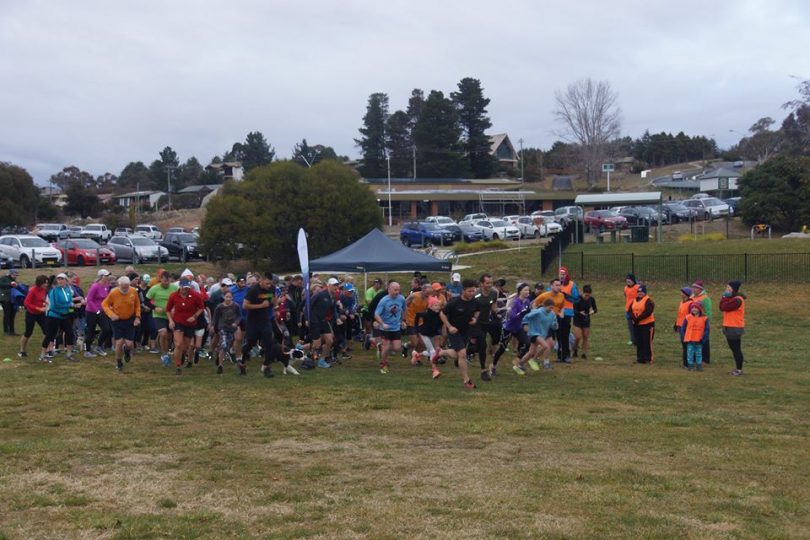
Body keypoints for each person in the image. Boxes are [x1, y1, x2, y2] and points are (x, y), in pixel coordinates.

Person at [241, 272, 297, 377]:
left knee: (269, 343)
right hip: (253, 321)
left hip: (265, 320)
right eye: (266, 283)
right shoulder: (253, 290)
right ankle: (242, 362)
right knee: (250, 343)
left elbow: (273, 300)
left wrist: (275, 305)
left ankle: (267, 366)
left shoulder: (272, 288)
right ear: (261, 280)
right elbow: (245, 306)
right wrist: (261, 305)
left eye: (270, 283)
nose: (268, 286)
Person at [436, 279, 480, 389]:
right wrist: (449, 327)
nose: (472, 293)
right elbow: (442, 314)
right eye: (469, 291)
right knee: (463, 354)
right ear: (463, 291)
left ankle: (441, 352)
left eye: (473, 291)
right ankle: (467, 380)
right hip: (454, 331)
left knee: (457, 355)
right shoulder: (454, 302)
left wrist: (475, 319)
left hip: (466, 331)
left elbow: (478, 311)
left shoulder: (475, 301)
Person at [101, 276, 141, 371]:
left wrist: (137, 317)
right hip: (117, 320)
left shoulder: (133, 291)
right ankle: (118, 361)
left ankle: (127, 351)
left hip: (130, 320)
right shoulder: (114, 293)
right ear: (119, 285)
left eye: (127, 287)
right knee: (119, 343)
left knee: (129, 344)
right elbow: (104, 304)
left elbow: (137, 305)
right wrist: (111, 315)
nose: (125, 289)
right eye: (123, 287)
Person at [491, 282, 532, 376]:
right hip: (508, 328)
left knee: (528, 343)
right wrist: (522, 313)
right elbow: (512, 317)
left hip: (518, 328)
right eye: (525, 290)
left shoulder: (527, 302)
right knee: (502, 348)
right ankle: (493, 366)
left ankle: (517, 361)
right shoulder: (515, 302)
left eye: (528, 290)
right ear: (520, 291)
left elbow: (527, 314)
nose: (527, 292)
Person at [166, 278, 205, 375]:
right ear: (180, 286)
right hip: (178, 322)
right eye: (183, 287)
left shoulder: (195, 295)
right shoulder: (174, 296)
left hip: (190, 324)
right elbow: (167, 309)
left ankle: (183, 355)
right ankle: (178, 366)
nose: (185, 289)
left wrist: (194, 316)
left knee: (186, 346)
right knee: (178, 344)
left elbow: (201, 308)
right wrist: (170, 321)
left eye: (187, 287)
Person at [515, 298, 558, 375]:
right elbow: (526, 317)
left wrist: (555, 325)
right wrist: (525, 324)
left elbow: (553, 326)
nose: (551, 309)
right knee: (546, 346)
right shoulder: (538, 312)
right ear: (544, 306)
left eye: (552, 308)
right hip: (534, 333)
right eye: (549, 307)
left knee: (531, 352)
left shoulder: (552, 314)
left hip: (542, 334)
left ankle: (519, 365)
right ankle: (533, 360)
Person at [41, 273, 76, 362]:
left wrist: (71, 304)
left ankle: (69, 354)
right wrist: (71, 305)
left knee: (70, 333)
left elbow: (69, 300)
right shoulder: (54, 291)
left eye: (62, 279)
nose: (60, 281)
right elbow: (55, 304)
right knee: (50, 335)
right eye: (58, 279)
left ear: (66, 281)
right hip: (54, 316)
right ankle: (43, 355)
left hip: (64, 316)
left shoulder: (68, 290)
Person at [469, 274, 497, 381]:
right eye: (487, 283)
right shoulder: (475, 295)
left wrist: (498, 314)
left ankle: (464, 354)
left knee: (477, 347)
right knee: (483, 345)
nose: (490, 285)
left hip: (486, 323)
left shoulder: (494, 293)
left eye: (491, 283)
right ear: (481, 284)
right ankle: (483, 371)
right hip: (475, 323)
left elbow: (493, 307)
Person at [147, 271, 179, 366]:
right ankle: (164, 354)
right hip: (159, 315)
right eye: (164, 281)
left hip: (171, 316)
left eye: (168, 281)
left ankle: (168, 350)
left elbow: (179, 299)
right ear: (160, 279)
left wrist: (175, 308)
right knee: (163, 333)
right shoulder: (154, 289)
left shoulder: (175, 288)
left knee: (169, 336)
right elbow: (146, 301)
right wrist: (154, 307)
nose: (166, 283)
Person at [374, 281, 407, 374]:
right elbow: (376, 314)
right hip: (385, 328)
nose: (397, 292)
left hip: (396, 327)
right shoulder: (384, 300)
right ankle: (383, 364)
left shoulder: (401, 299)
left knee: (396, 348)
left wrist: (403, 321)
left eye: (398, 290)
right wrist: (382, 323)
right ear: (389, 290)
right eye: (395, 290)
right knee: (387, 347)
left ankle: (381, 346)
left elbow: (404, 309)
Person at [309, 278, 338, 368]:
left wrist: (337, 318)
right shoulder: (320, 295)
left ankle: (322, 360)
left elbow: (333, 309)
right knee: (317, 344)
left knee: (330, 340)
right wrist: (307, 319)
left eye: (337, 285)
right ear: (328, 286)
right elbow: (308, 306)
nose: (336, 287)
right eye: (334, 285)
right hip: (315, 320)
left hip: (324, 321)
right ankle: (309, 358)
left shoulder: (333, 296)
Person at [719, 280, 746, 376]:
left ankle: (739, 369)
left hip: (735, 327)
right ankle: (737, 368)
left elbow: (724, 307)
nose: (726, 290)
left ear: (733, 289)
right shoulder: (732, 298)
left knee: (736, 349)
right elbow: (721, 306)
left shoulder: (737, 300)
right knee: (734, 349)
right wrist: (725, 297)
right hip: (729, 326)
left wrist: (724, 297)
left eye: (728, 288)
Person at [18, 275, 48, 358]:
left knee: (47, 332)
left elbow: (41, 298)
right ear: (40, 283)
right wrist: (38, 308)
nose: (46, 284)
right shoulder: (32, 290)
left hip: (41, 314)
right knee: (28, 332)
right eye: (45, 283)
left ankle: (46, 351)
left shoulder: (43, 289)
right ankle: (22, 351)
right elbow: (26, 303)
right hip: (31, 313)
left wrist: (45, 302)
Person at [212, 289, 241, 374]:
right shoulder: (219, 307)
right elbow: (215, 318)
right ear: (223, 297)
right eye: (227, 297)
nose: (228, 299)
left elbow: (239, 316)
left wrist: (236, 323)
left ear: (232, 297)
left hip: (232, 328)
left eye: (230, 297)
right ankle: (220, 365)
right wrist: (213, 326)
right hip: (223, 328)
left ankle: (220, 355)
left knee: (229, 344)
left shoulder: (236, 306)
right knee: (223, 345)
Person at [85, 269, 113, 357]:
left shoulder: (106, 286)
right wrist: (96, 310)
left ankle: (99, 346)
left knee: (107, 329)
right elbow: (89, 299)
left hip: (102, 311)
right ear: (101, 277)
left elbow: (106, 298)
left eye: (108, 276)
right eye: (106, 276)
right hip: (91, 312)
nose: (108, 277)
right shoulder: (95, 286)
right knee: (91, 331)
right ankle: (88, 350)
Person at [416, 295, 444, 379]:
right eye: (435, 305)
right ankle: (434, 370)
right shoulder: (425, 314)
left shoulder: (439, 314)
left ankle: (417, 355)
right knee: (432, 351)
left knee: (432, 351)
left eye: (438, 305)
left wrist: (439, 331)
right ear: (430, 306)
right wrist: (416, 327)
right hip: (424, 334)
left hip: (433, 334)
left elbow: (441, 323)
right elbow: (417, 315)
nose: (437, 307)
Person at [556, 267, 580, 363]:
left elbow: (576, 299)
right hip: (556, 312)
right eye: (560, 274)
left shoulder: (571, 284)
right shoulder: (555, 284)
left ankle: (566, 355)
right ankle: (559, 355)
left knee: (565, 334)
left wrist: (566, 296)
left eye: (563, 274)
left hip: (567, 313)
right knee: (558, 334)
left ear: (566, 274)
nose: (561, 276)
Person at [404, 284, 431, 364]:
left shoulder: (429, 299)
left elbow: (427, 310)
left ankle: (416, 357)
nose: (428, 295)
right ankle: (405, 346)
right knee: (414, 342)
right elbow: (403, 305)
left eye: (429, 293)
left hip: (420, 322)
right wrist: (404, 319)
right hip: (411, 320)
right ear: (423, 290)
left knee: (422, 343)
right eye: (427, 293)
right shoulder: (413, 296)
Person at [630, 284, 655, 364]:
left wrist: (638, 319)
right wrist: (634, 318)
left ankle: (648, 358)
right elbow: (630, 310)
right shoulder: (634, 300)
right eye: (639, 292)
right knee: (639, 341)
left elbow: (648, 312)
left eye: (642, 292)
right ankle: (640, 358)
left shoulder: (649, 301)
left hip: (647, 324)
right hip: (637, 324)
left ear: (645, 293)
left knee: (646, 341)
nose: (640, 293)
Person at [681, 302, 709, 372]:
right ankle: (690, 366)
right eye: (693, 308)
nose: (694, 309)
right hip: (690, 339)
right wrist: (684, 337)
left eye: (696, 308)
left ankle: (699, 366)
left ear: (699, 309)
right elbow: (683, 328)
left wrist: (704, 338)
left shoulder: (704, 318)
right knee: (690, 353)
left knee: (699, 353)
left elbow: (707, 330)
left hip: (699, 339)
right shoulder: (688, 317)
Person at [572, 284, 597, 359]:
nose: (587, 297)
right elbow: (573, 310)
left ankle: (584, 353)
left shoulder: (591, 299)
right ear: (582, 293)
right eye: (586, 295)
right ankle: (575, 349)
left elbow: (595, 309)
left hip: (586, 319)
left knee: (585, 337)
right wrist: (579, 313)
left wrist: (592, 311)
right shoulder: (577, 299)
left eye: (588, 295)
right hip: (577, 319)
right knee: (578, 337)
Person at [690, 280, 712, 364]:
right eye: (692, 287)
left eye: (695, 288)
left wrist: (705, 321)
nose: (693, 289)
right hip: (693, 321)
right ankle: (695, 358)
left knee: (704, 340)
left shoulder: (705, 298)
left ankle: (705, 359)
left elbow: (708, 312)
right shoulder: (692, 297)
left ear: (700, 289)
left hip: (702, 322)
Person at [674, 287, 692, 368]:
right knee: (684, 345)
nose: (681, 294)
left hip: (687, 327)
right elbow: (680, 314)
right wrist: (676, 324)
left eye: (682, 292)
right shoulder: (682, 302)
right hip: (681, 326)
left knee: (687, 345)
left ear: (686, 294)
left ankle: (688, 363)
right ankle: (686, 362)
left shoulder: (690, 304)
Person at [0, 269, 20, 335]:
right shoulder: (4, 278)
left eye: (16, 275)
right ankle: (6, 331)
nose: (15, 276)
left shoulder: (13, 280)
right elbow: (1, 284)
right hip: (5, 299)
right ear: (10, 274)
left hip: (12, 300)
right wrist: (10, 284)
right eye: (14, 275)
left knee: (12, 315)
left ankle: (12, 331)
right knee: (7, 315)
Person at [623, 274, 640, 346]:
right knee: (630, 326)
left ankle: (638, 340)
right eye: (627, 279)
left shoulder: (637, 287)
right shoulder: (625, 288)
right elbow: (625, 296)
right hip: (628, 310)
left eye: (629, 279)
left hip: (635, 310)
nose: (628, 281)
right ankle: (632, 340)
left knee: (637, 326)